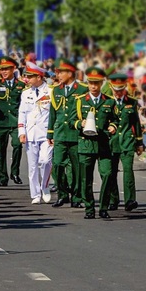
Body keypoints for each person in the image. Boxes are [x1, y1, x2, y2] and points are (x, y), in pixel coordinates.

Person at [74, 67, 116, 220]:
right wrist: (80, 123)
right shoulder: (80, 101)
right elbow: (72, 120)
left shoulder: (109, 101)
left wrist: (113, 127)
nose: (93, 86)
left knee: (107, 174)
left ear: (101, 83)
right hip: (86, 144)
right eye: (91, 83)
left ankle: (103, 207)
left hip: (103, 144)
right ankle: (89, 208)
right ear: (88, 83)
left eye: (97, 83)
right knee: (86, 179)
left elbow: (115, 119)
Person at [48, 59, 87, 208]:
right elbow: (53, 113)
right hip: (60, 133)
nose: (58, 75)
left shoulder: (82, 89)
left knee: (76, 167)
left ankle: (76, 197)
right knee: (57, 165)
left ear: (70, 73)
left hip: (76, 134)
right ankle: (63, 194)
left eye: (61, 72)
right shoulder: (56, 90)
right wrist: (50, 134)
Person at [106, 72, 143, 213]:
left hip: (127, 141)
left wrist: (139, 143)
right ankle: (113, 199)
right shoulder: (107, 102)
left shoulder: (132, 102)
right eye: (116, 90)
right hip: (112, 142)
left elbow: (136, 123)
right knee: (112, 172)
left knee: (128, 171)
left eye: (121, 89)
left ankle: (130, 200)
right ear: (111, 87)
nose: (119, 93)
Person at [17, 61, 52, 204]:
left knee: (45, 160)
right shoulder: (26, 93)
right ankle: (35, 194)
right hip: (30, 132)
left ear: (39, 77)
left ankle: (45, 186)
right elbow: (22, 113)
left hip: (45, 132)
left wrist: (52, 132)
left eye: (30, 77)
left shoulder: (50, 91)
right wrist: (21, 131)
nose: (27, 79)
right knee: (32, 166)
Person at [0, 56, 24, 186]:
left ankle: (15, 172)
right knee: (1, 150)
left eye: (7, 69)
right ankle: (2, 177)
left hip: (16, 121)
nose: (4, 72)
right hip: (2, 122)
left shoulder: (21, 85)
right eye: (2, 69)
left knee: (17, 145)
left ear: (13, 69)